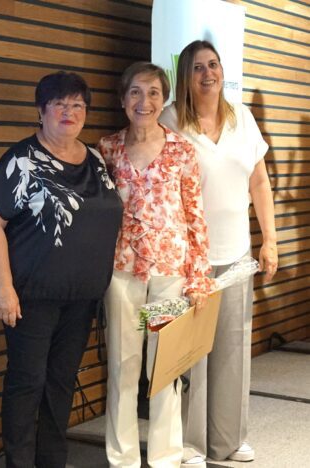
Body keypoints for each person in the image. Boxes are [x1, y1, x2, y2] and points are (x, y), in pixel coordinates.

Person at [0, 71, 123, 468]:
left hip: (82, 299)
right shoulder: (21, 160)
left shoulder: (95, 159)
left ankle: (52, 461)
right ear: (41, 110)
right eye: (59, 104)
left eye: (77, 105)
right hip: (30, 299)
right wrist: (3, 289)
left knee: (61, 383)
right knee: (27, 383)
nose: (69, 112)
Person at [160, 40, 278, 467]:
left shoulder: (242, 118)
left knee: (232, 349)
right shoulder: (170, 120)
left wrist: (270, 239)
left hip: (236, 254)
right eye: (197, 67)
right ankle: (189, 445)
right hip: (188, 258)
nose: (207, 74)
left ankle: (228, 441)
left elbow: (259, 183)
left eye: (213, 65)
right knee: (190, 353)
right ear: (184, 77)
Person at [97, 62, 215, 468]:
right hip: (121, 271)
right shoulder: (107, 148)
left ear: (163, 100)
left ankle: (165, 457)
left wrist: (198, 277)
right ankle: (123, 459)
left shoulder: (182, 150)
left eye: (152, 93)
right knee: (123, 367)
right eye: (135, 92)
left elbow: (195, 215)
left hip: (170, 272)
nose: (143, 101)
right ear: (122, 99)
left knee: (164, 368)